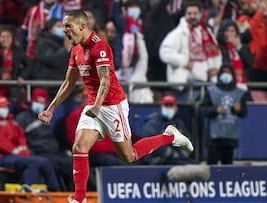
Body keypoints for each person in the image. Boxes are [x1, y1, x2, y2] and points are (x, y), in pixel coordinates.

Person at [37, 10, 194, 203]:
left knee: (129, 156)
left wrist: (97, 105)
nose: (64, 31)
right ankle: (79, 200)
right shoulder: (76, 50)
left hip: (112, 105)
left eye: (67, 26)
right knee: (80, 145)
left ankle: (170, 136)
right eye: (63, 27)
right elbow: (68, 83)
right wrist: (51, 108)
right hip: (93, 105)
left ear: (81, 26)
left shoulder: (100, 47)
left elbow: (105, 81)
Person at [0, 95, 60, 191]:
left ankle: (55, 191)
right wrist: (15, 151)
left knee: (45, 161)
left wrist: (24, 149)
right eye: (2, 107)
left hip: (17, 156)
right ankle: (28, 193)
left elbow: (20, 135)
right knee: (33, 162)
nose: (5, 109)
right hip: (0, 157)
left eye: (6, 106)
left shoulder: (11, 121)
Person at [159, 1, 222, 101]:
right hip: (187, 83)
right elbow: (164, 52)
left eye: (195, 13)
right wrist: (184, 61)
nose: (192, 16)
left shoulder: (208, 33)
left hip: (206, 83)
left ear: (201, 15)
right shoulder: (179, 33)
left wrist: (216, 68)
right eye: (189, 13)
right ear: (185, 15)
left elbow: (216, 53)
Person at [15, 88, 73, 191]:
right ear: (32, 101)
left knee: (72, 163)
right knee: (49, 163)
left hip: (54, 152)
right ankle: (55, 191)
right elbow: (18, 138)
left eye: (42, 102)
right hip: (38, 152)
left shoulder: (47, 118)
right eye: (37, 101)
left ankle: (79, 192)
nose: (39, 104)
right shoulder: (22, 118)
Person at [201, 64, 248, 165]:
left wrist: (239, 110)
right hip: (214, 137)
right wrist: (215, 110)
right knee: (212, 167)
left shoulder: (239, 92)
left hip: (230, 137)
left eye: (228, 72)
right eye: (223, 72)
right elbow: (203, 110)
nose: (226, 75)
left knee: (227, 168)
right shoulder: (211, 91)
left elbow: (244, 113)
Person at [140, 94, 194, 165]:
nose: (168, 108)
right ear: (161, 107)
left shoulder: (179, 123)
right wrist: (172, 154)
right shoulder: (153, 123)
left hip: (176, 160)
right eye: (166, 106)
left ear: (176, 108)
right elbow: (151, 143)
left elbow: (186, 141)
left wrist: (181, 155)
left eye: (171, 106)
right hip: (154, 161)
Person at [0, 28, 29, 106]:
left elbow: (29, 65)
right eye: (3, 37)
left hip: (13, 86)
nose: (5, 39)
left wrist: (22, 76)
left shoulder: (18, 51)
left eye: (8, 37)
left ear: (12, 39)